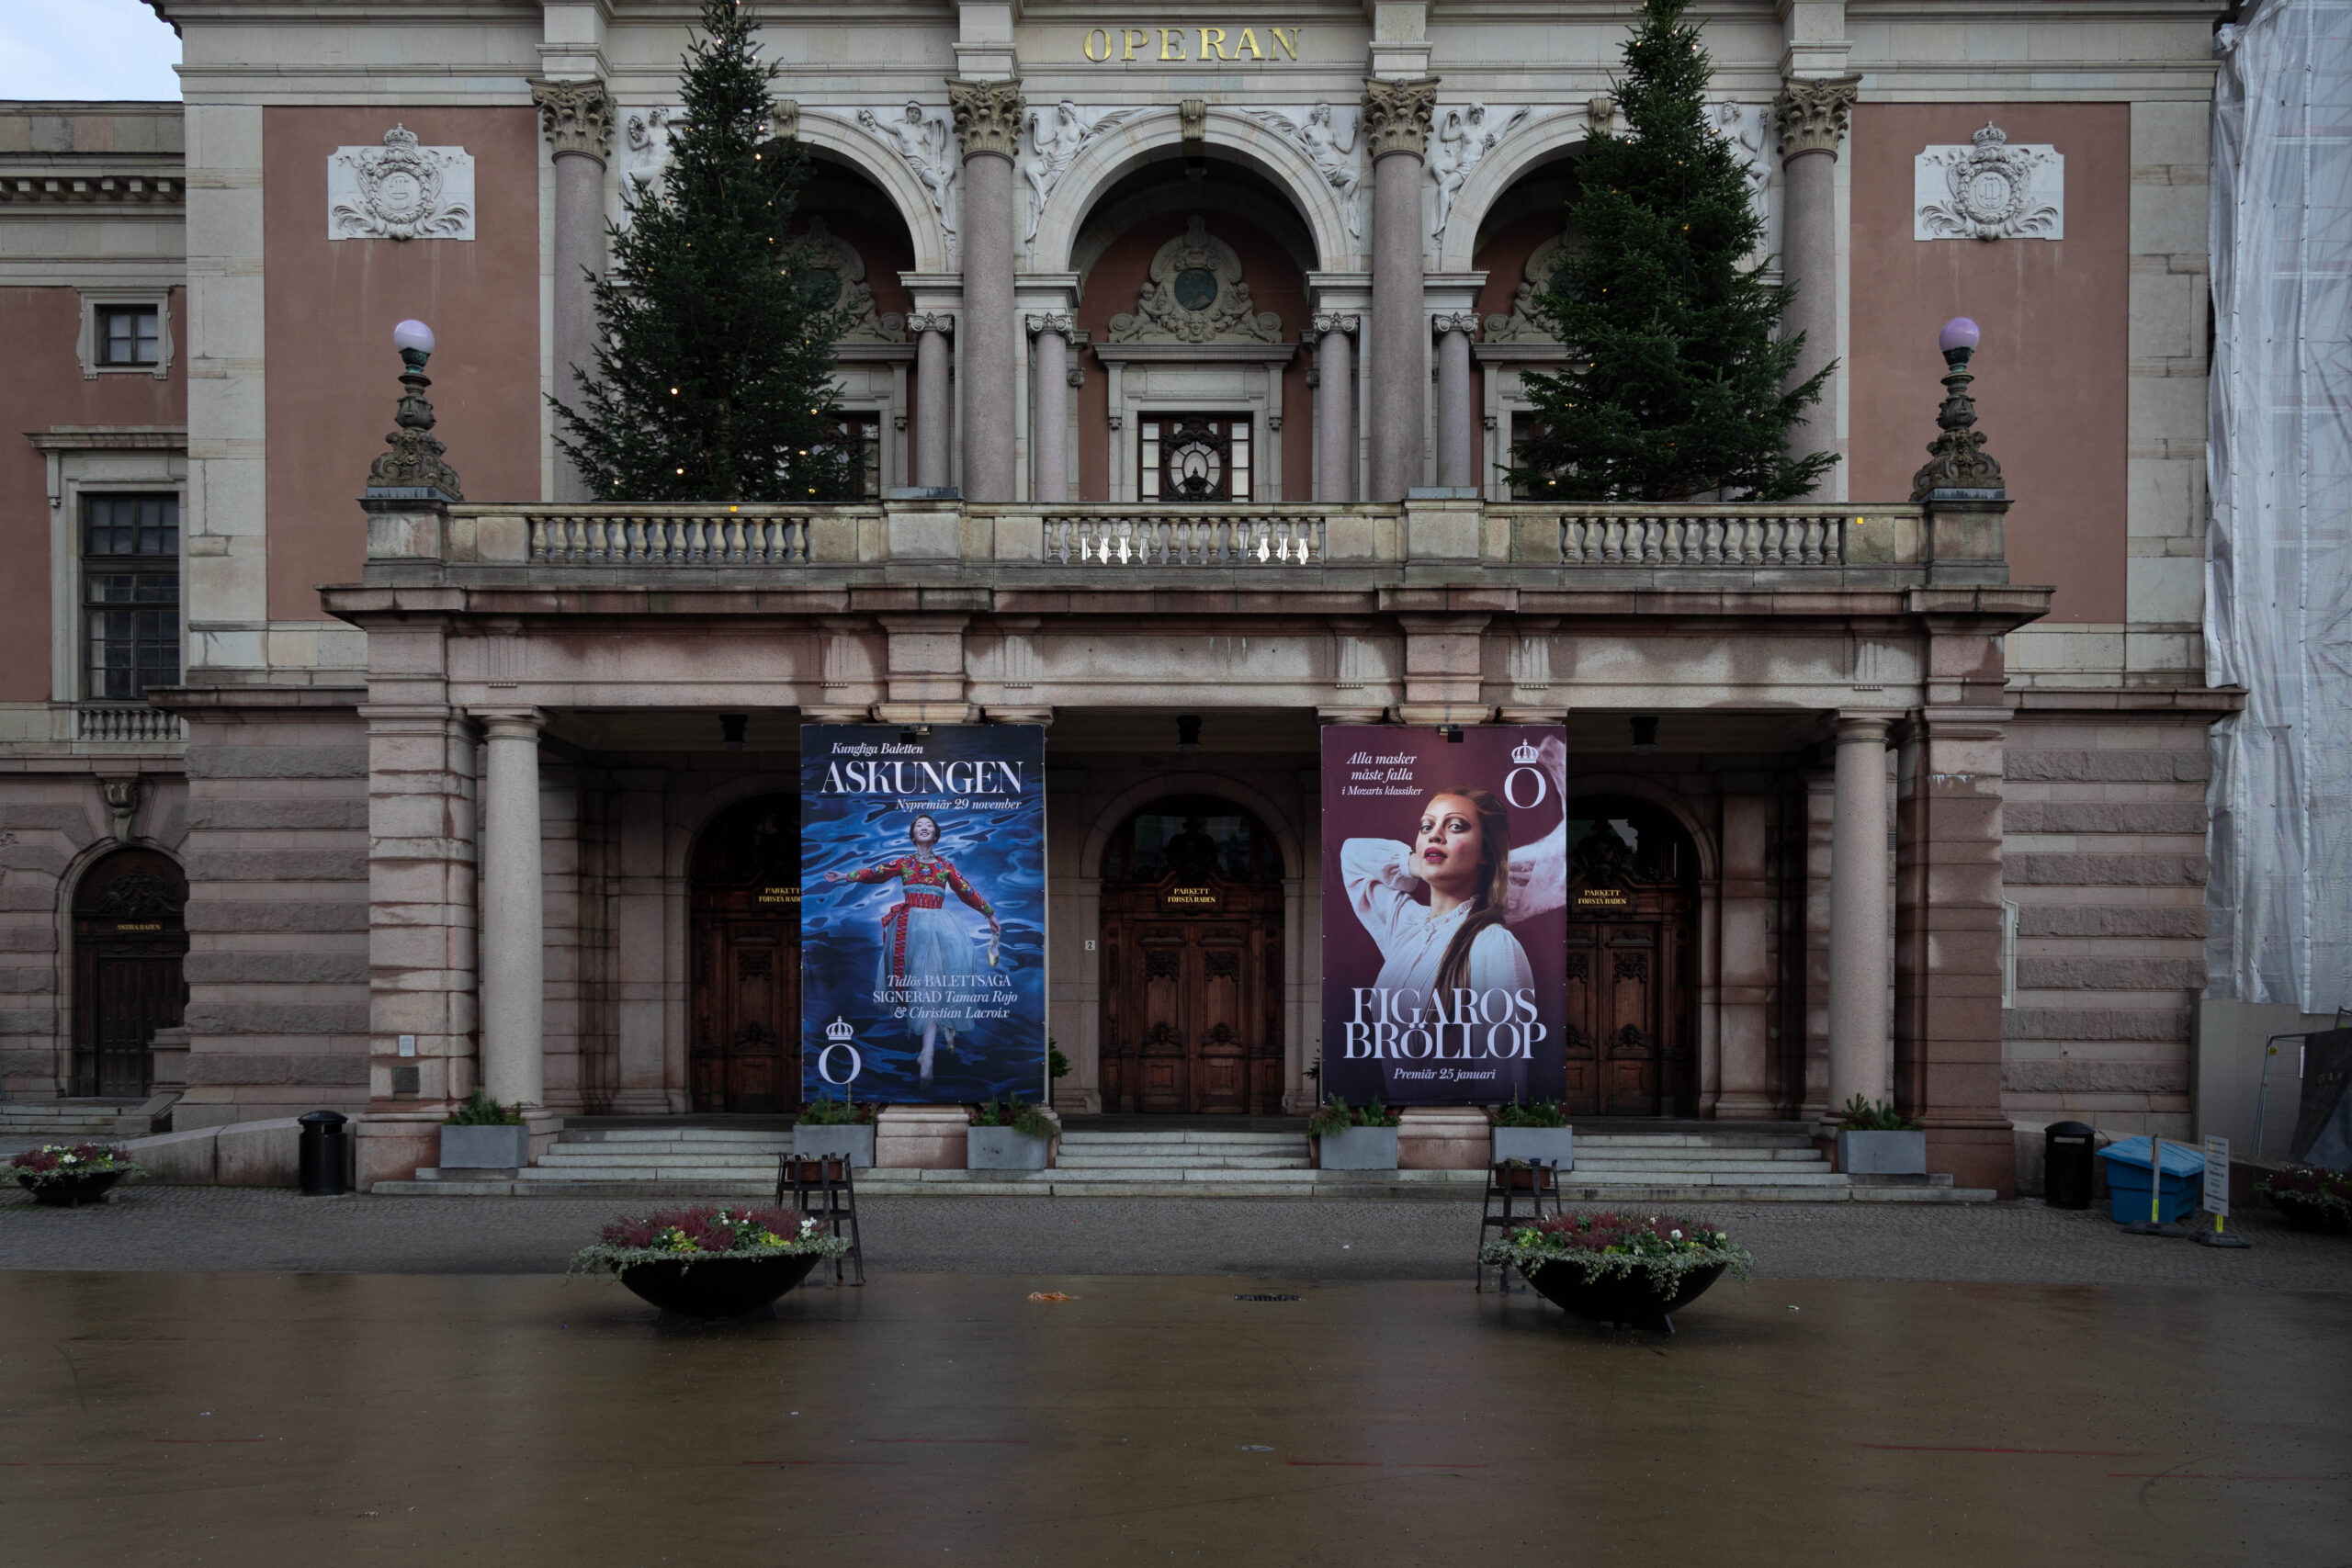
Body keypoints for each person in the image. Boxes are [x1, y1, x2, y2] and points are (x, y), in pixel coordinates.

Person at [823, 813, 1001, 1089]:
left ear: (936, 834)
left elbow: (966, 890)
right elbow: (877, 873)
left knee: (932, 988)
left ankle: (927, 1053)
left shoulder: (944, 865)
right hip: (910, 929)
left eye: (929, 825)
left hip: (940, 929)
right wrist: (846, 877)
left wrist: (988, 913)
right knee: (922, 989)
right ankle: (928, 1051)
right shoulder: (905, 862)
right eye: (920, 825)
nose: (924, 827)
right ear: (913, 834)